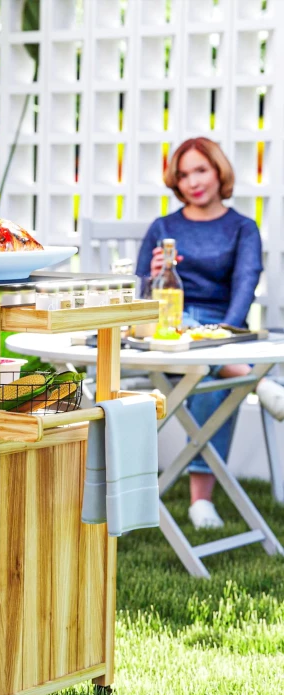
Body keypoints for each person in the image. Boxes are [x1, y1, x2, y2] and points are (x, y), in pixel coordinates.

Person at [137, 137, 284, 530]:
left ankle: (199, 501)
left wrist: (221, 336)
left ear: (219, 171)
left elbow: (245, 286)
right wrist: (152, 280)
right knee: (203, 362)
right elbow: (139, 298)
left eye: (200, 169)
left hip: (223, 328)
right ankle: (256, 380)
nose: (192, 181)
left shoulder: (242, 228)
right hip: (169, 330)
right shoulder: (163, 227)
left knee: (204, 369)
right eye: (183, 174)